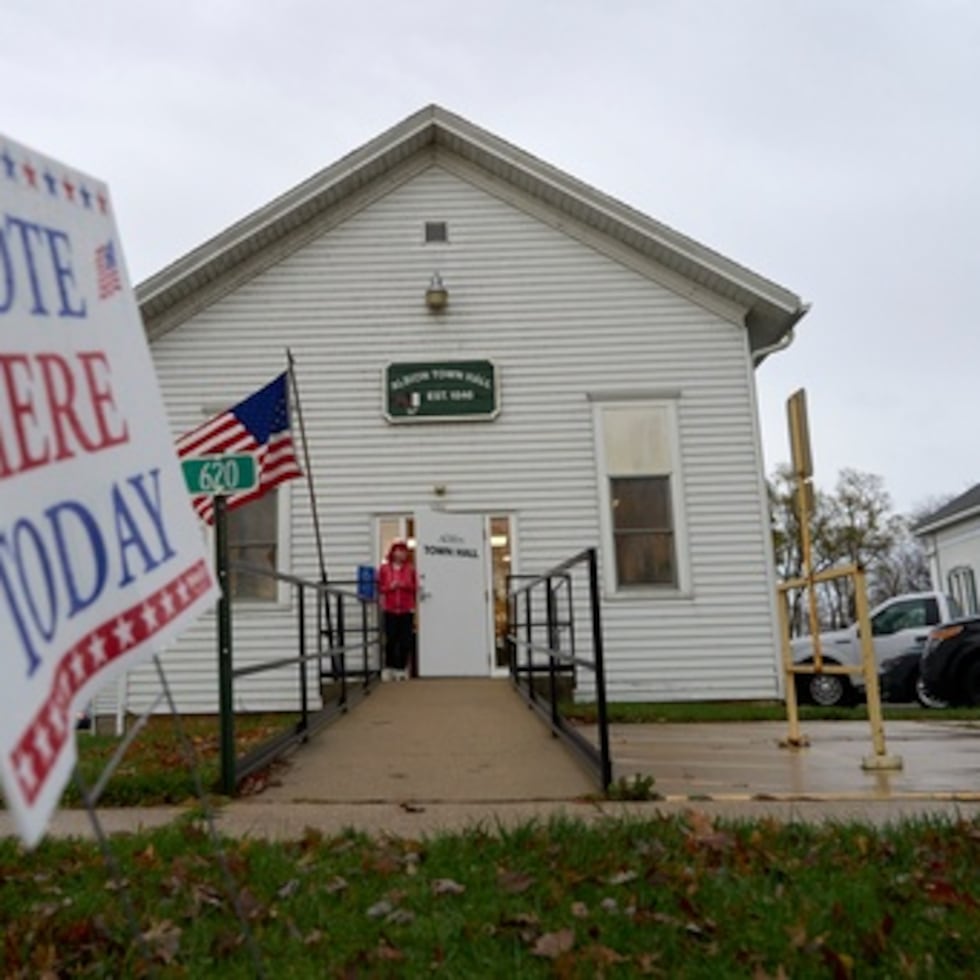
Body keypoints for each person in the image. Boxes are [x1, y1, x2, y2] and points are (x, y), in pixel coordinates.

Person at [377, 539, 417, 681]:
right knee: (391, 639)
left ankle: (401, 668)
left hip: (406, 609)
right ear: (393, 552)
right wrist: (390, 587)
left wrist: (404, 585)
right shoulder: (384, 569)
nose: (401, 554)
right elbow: (380, 587)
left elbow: (414, 587)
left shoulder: (410, 569)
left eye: (403, 551)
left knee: (405, 639)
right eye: (398, 550)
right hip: (390, 609)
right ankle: (389, 667)